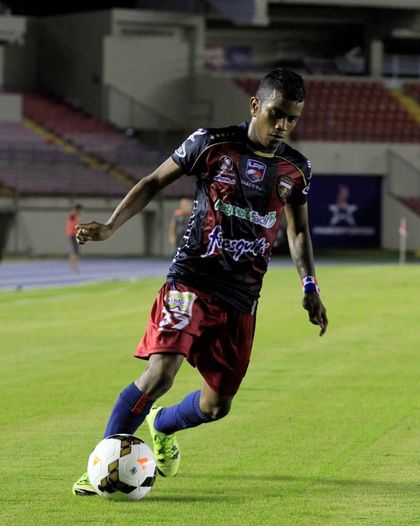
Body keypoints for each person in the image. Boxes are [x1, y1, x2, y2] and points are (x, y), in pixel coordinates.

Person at [72, 68, 328, 495]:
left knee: (216, 405)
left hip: (242, 297)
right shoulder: (211, 144)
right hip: (191, 281)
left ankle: (162, 425)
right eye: (276, 114)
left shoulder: (295, 170)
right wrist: (112, 226)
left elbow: (298, 231)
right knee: (160, 374)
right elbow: (154, 181)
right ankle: (103, 463)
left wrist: (309, 286)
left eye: (292, 119)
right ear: (255, 107)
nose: (283, 125)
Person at [66, 204, 82, 272]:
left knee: (74, 251)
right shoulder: (73, 215)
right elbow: (72, 225)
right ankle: (73, 267)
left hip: (73, 234)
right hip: (73, 235)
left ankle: (73, 266)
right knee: (74, 251)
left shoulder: (75, 215)